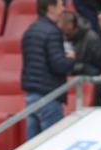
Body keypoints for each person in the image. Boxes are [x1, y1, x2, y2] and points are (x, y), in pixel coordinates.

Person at [21, 0, 74, 139]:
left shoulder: (30, 29)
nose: (63, 9)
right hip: (49, 96)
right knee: (52, 144)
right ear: (51, 8)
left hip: (31, 97)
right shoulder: (53, 32)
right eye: (60, 5)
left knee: (32, 148)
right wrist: (72, 60)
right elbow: (58, 65)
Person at [58, 10, 101, 76]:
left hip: (89, 77)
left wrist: (76, 59)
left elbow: (98, 66)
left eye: (67, 33)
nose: (64, 36)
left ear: (75, 29)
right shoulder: (60, 37)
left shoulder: (91, 38)